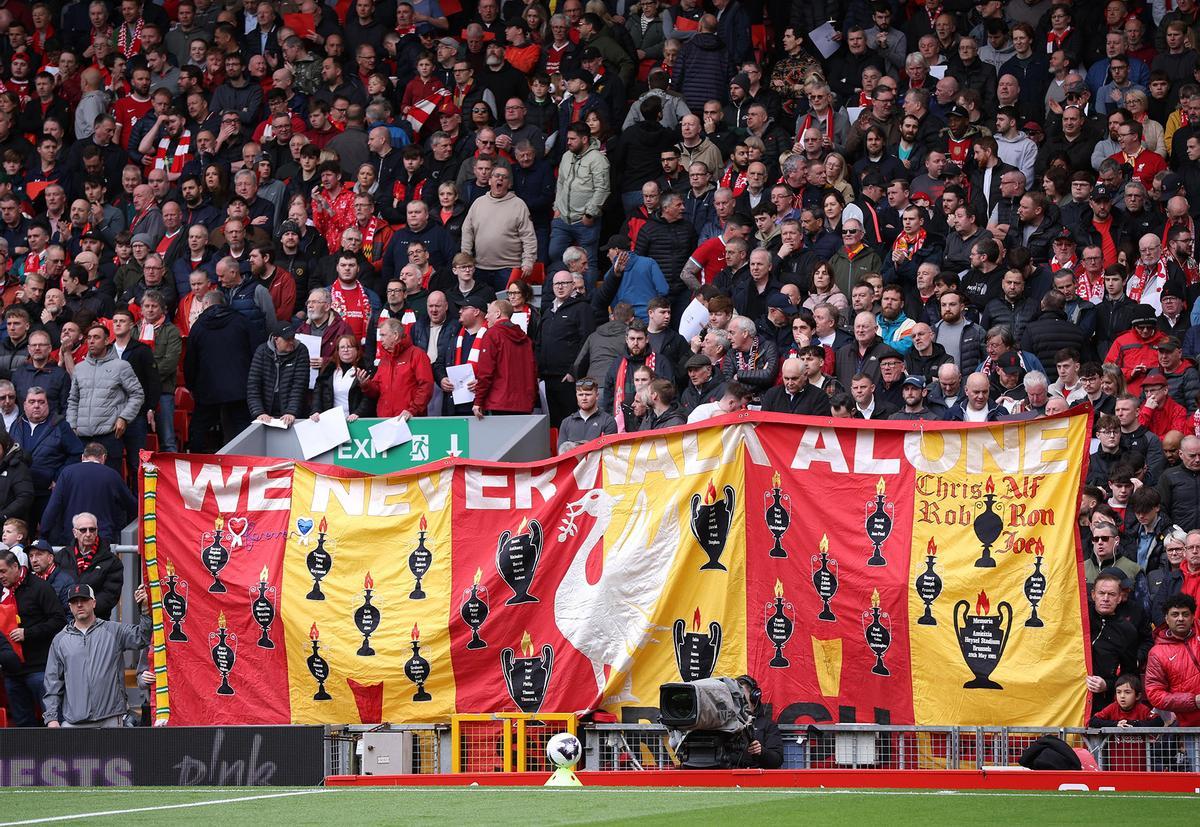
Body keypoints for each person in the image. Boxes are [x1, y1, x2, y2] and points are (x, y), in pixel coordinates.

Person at [43, 582, 151, 728]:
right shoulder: (59, 640)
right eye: (74, 602)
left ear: (93, 603)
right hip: (74, 721)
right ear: (69, 607)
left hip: (111, 718)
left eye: (84, 600)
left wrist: (145, 609)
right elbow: (52, 682)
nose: (79, 605)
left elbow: (143, 637)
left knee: (115, 753)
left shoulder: (113, 630)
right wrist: (51, 718)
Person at [67, 324, 146, 474]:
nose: (91, 341)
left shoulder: (121, 366)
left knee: (108, 481)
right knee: (84, 481)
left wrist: (124, 418)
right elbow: (73, 399)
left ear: (107, 341)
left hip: (109, 435)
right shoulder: (80, 368)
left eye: (96, 337)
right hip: (83, 436)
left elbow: (137, 394)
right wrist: (72, 425)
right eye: (89, 338)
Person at [0, 549, 64, 726]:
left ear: (15, 566)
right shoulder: (1, 592)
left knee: (51, 719)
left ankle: (57, 754)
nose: (0, 577)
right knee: (22, 724)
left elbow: (59, 620)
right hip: (11, 671)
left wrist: (27, 633)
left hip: (39, 668)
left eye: (3, 571)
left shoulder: (39, 587)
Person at [1145, 593, 1200, 760]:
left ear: (1192, 617)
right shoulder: (1157, 653)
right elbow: (1155, 694)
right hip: (1192, 727)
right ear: (1167, 619)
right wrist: (1193, 701)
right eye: (1175, 614)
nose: (1181, 618)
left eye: (1185, 614)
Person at [1087, 568, 1144, 710]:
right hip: (1069, 695)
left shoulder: (1127, 630)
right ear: (1093, 595)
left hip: (1103, 702)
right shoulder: (1079, 618)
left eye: (1111, 594)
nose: (1106, 598)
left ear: (1119, 598)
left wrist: (1107, 685)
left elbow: (1130, 674)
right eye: (1101, 593)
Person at [472, 300, 538, 418]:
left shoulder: (492, 334)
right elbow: (533, 371)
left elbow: (486, 372)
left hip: (499, 403)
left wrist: (478, 401)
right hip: (524, 404)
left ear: (497, 313)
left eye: (488, 312)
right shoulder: (525, 339)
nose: (486, 316)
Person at [362, 319, 434, 419]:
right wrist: (366, 384)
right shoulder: (384, 359)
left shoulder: (417, 355)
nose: (380, 339)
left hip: (410, 420)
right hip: (385, 420)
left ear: (395, 335)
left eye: (383, 335)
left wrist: (412, 410)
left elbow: (426, 386)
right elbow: (377, 390)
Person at [247, 326, 311, 427]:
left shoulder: (301, 350)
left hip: (291, 409)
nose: (291, 342)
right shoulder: (262, 351)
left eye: (293, 338)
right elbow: (253, 386)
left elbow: (299, 386)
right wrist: (259, 412)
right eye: (287, 339)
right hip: (266, 408)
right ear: (276, 339)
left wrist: (291, 411)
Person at [731, 674, 784, 769]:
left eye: (743, 700)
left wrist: (762, 751)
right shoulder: (722, 724)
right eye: (735, 700)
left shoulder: (767, 725)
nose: (739, 705)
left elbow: (777, 760)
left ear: (754, 699)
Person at [558, 377, 617, 451]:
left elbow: (609, 453)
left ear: (597, 396)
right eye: (580, 395)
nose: (584, 398)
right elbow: (561, 455)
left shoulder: (608, 421)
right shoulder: (566, 422)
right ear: (576, 396)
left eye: (588, 394)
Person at [760, 357, 832, 416]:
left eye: (794, 378)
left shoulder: (819, 396)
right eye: (786, 378)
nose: (790, 383)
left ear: (805, 376)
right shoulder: (772, 394)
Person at [27, 539, 75, 616]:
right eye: (31, 556)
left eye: (39, 554)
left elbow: (71, 614)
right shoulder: (28, 581)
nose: (34, 560)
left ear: (50, 558)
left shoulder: (66, 581)